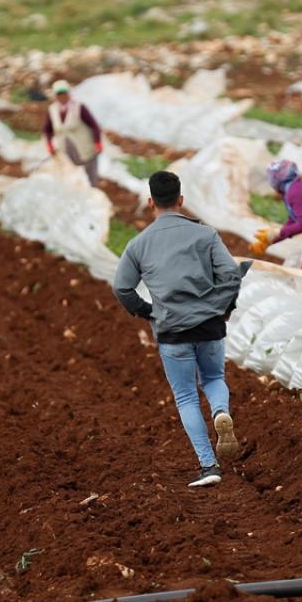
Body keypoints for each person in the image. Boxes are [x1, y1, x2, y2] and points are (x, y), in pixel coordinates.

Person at [113, 171, 244, 488]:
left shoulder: (138, 244)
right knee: (213, 378)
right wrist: (223, 309)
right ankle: (219, 413)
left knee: (186, 397)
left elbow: (122, 289)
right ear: (181, 200)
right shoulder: (206, 234)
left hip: (172, 330)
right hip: (209, 324)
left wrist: (148, 313)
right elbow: (230, 274)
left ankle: (208, 465)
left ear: (150, 202)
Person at [42, 80, 103, 187]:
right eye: (59, 94)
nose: (62, 96)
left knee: (90, 180)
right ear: (55, 96)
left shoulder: (79, 107)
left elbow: (94, 125)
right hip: (67, 152)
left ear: (68, 93)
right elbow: (47, 129)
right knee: (73, 180)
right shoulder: (53, 110)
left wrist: (97, 142)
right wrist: (49, 144)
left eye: (64, 93)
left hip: (85, 150)